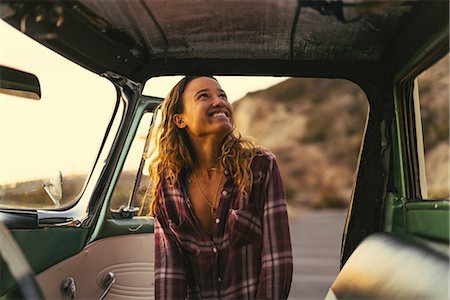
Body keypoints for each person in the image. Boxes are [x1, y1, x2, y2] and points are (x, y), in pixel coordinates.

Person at [145, 75, 292, 299]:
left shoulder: (260, 166)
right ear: (180, 120)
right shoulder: (169, 184)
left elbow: (277, 262)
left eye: (222, 95)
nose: (219, 101)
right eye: (204, 96)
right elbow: (169, 272)